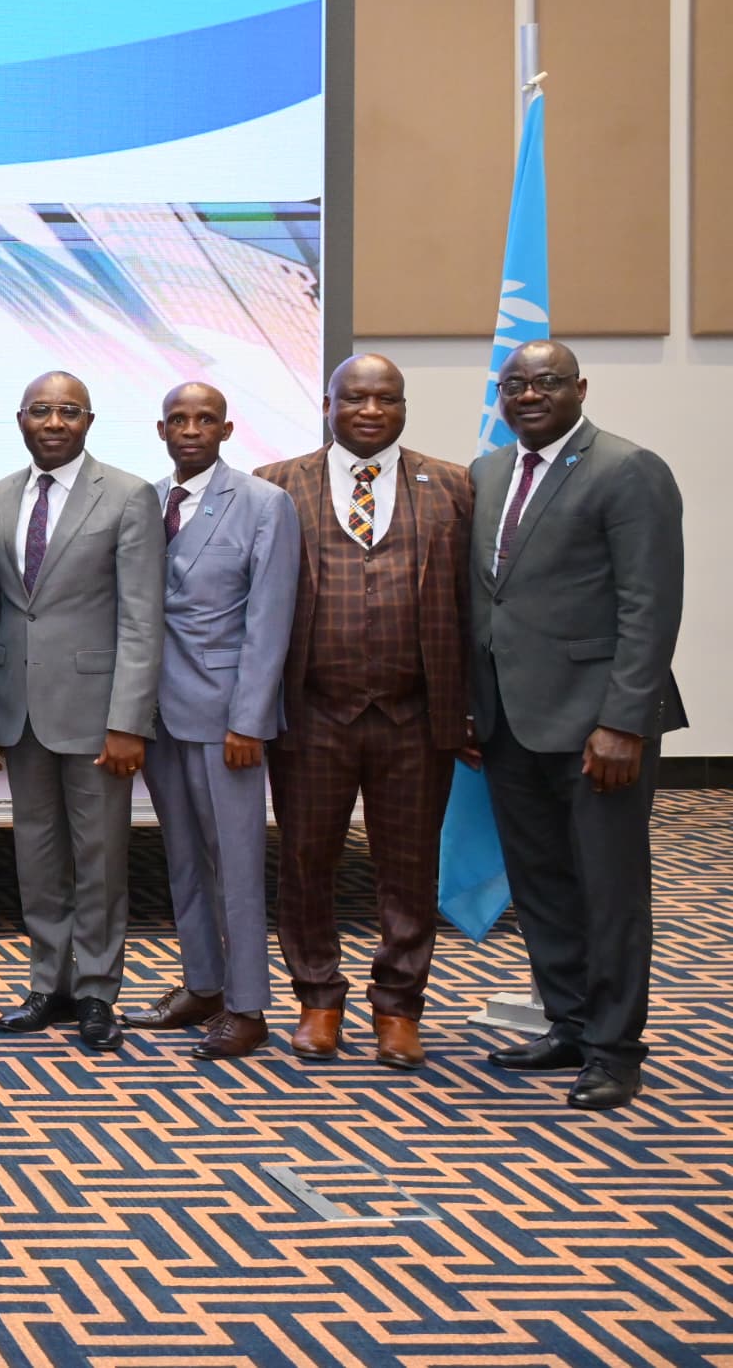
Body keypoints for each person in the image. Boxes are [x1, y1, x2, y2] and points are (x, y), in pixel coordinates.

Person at [470, 340, 686, 1111]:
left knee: (609, 890)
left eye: (547, 382)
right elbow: (487, 599)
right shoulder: (488, 472)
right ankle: (568, 1023)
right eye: (514, 385)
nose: (528, 395)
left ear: (581, 388)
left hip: (599, 726)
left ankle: (615, 1050)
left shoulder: (628, 469)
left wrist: (625, 721)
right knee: (541, 884)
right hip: (508, 720)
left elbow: (649, 606)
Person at [255, 354, 472, 1068]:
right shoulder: (277, 484)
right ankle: (317, 999)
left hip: (415, 716)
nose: (371, 410)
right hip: (312, 714)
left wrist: (472, 706)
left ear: (404, 407)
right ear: (328, 405)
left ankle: (399, 1008)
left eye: (386, 399)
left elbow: (475, 606)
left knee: (409, 869)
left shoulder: (452, 485)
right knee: (305, 861)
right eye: (354, 398)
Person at [0, 372, 163, 1055]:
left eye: (68, 411)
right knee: (37, 854)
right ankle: (47, 983)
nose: (54, 422)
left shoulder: (128, 495)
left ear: (89, 421)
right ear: (20, 419)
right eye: (41, 410)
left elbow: (142, 617)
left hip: (97, 714)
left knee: (100, 857)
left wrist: (129, 720)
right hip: (19, 709)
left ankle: (97, 991)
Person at [124, 383, 299, 1060]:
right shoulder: (146, 502)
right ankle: (203, 985)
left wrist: (249, 720)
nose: (191, 430)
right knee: (183, 859)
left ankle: (248, 1007)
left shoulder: (263, 503)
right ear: (161, 430)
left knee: (236, 863)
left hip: (227, 718)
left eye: (205, 420)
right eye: (179, 420)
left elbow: (269, 620)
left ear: (226, 429)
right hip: (158, 713)